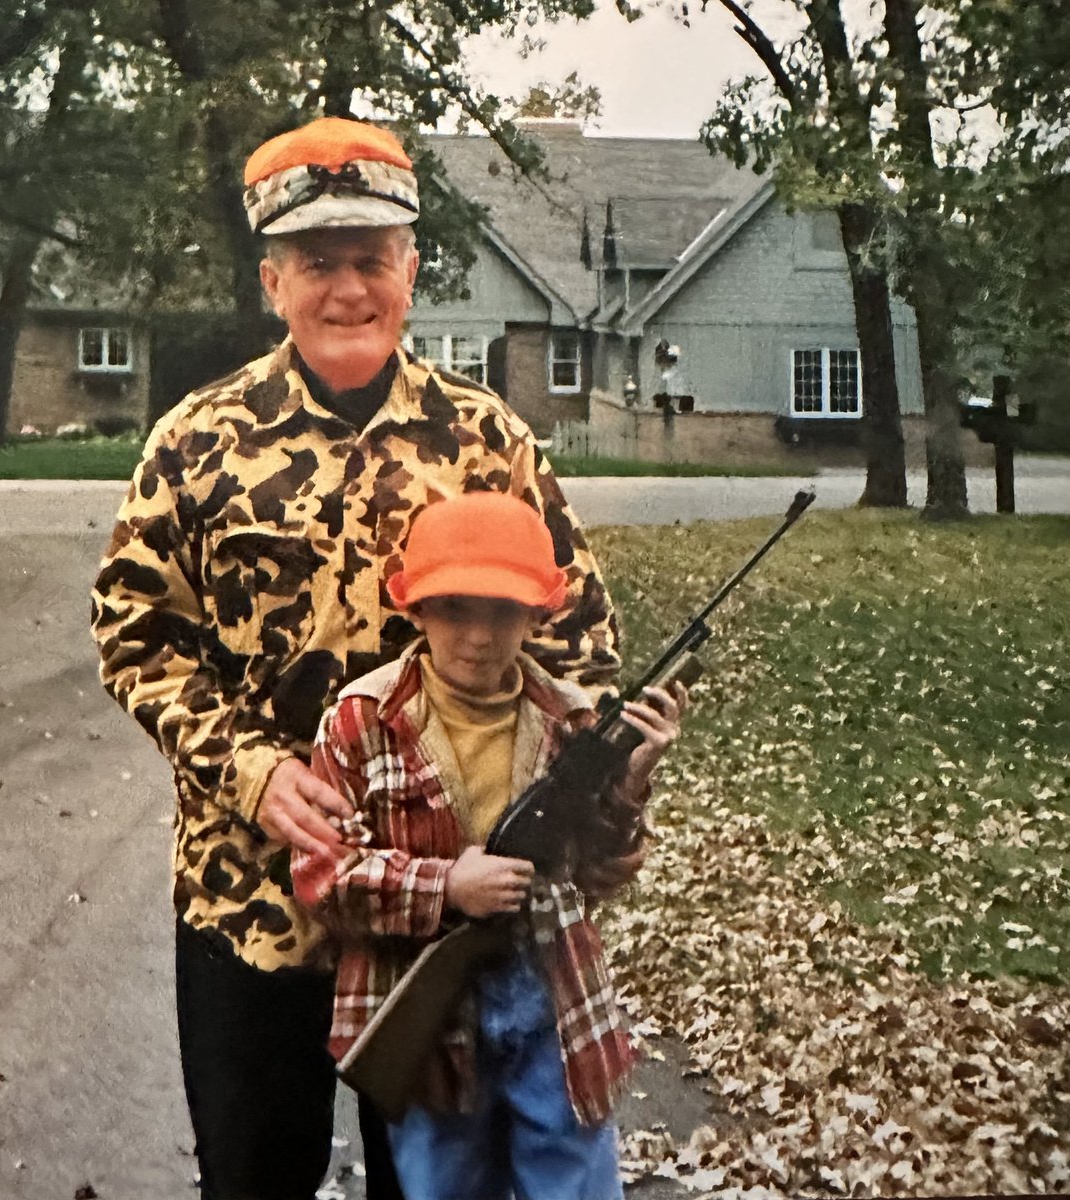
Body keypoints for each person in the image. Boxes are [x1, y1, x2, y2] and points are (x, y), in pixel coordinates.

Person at [89, 115, 626, 1200]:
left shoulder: (488, 444)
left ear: (412, 270)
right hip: (250, 906)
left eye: (371, 260)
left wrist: (579, 799)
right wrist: (251, 773)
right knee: (254, 1177)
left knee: (434, 1189)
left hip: (442, 922)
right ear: (271, 281)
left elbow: (580, 641)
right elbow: (135, 635)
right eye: (318, 262)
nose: (348, 290)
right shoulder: (195, 443)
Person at [292, 492, 687, 1200]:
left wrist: (630, 784)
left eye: (504, 611)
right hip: (428, 1006)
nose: (479, 634)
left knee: (572, 1183)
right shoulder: (361, 721)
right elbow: (323, 875)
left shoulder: (571, 721)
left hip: (552, 998)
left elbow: (599, 874)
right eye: (454, 609)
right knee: (444, 1184)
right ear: (414, 609)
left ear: (540, 614)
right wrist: (446, 887)